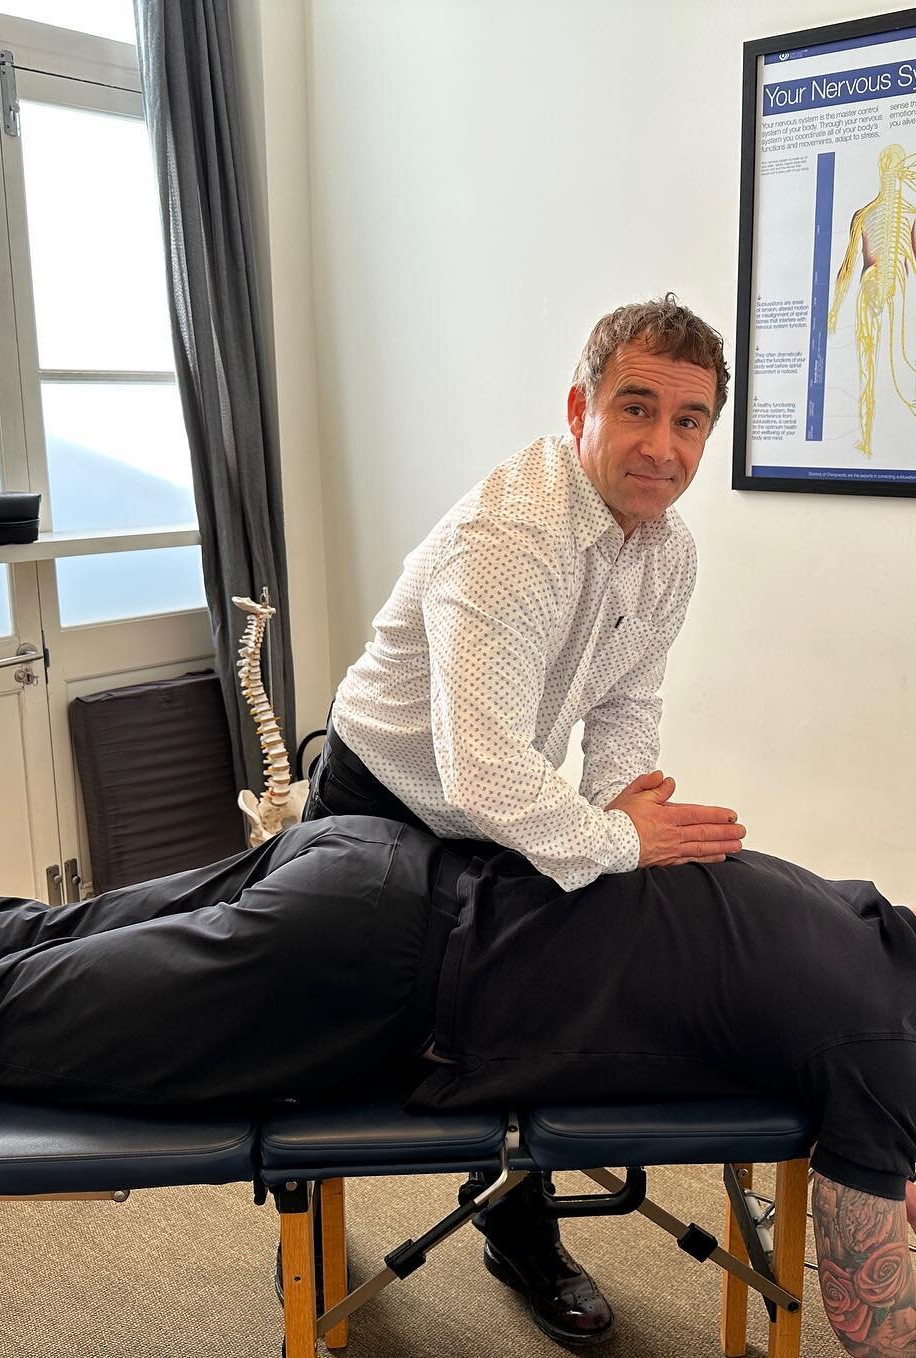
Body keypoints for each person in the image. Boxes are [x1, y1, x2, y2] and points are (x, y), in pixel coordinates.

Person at [0, 818, 916, 1358]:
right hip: (347, 978)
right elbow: (874, 1320)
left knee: (8, 934)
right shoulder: (882, 1036)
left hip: (360, 862)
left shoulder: (830, 901)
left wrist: (914, 1208)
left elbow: (813, 1093)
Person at [304, 294, 745, 1340]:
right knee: (327, 1033)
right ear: (580, 408)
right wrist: (617, 839)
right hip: (381, 794)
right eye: (637, 408)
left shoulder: (669, 551)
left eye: (688, 421)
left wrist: (624, 814)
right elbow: (483, 768)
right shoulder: (511, 536)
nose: (663, 445)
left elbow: (627, 706)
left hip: (499, 800)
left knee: (518, 1012)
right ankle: (306, 1227)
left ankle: (518, 1229)